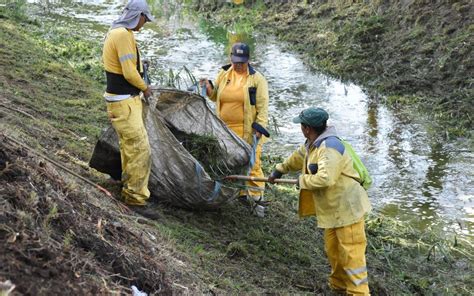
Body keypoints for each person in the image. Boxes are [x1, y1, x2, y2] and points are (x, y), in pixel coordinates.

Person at [268, 107, 372, 295]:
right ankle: (339, 288)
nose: (301, 128)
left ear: (307, 128)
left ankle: (359, 293)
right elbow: (298, 157)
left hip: (347, 210)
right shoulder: (312, 144)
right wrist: (280, 170)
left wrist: (302, 181)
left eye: (301, 125)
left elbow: (326, 178)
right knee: (334, 252)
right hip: (333, 211)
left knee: (352, 257)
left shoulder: (329, 147)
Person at [201, 42, 270, 217]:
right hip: (224, 130)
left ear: (248, 60)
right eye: (236, 61)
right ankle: (238, 193)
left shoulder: (257, 79)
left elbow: (263, 107)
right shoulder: (224, 74)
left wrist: (260, 127)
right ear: (231, 58)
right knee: (228, 162)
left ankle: (256, 200)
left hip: (247, 130)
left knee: (253, 163)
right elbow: (216, 96)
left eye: (242, 62)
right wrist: (208, 88)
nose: (238, 65)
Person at [102, 0, 156, 215]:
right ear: (138, 15)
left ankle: (127, 186)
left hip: (123, 101)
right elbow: (129, 72)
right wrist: (145, 88)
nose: (144, 24)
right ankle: (135, 200)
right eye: (144, 19)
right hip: (123, 102)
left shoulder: (116, 32)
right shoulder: (123, 35)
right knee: (140, 149)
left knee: (129, 147)